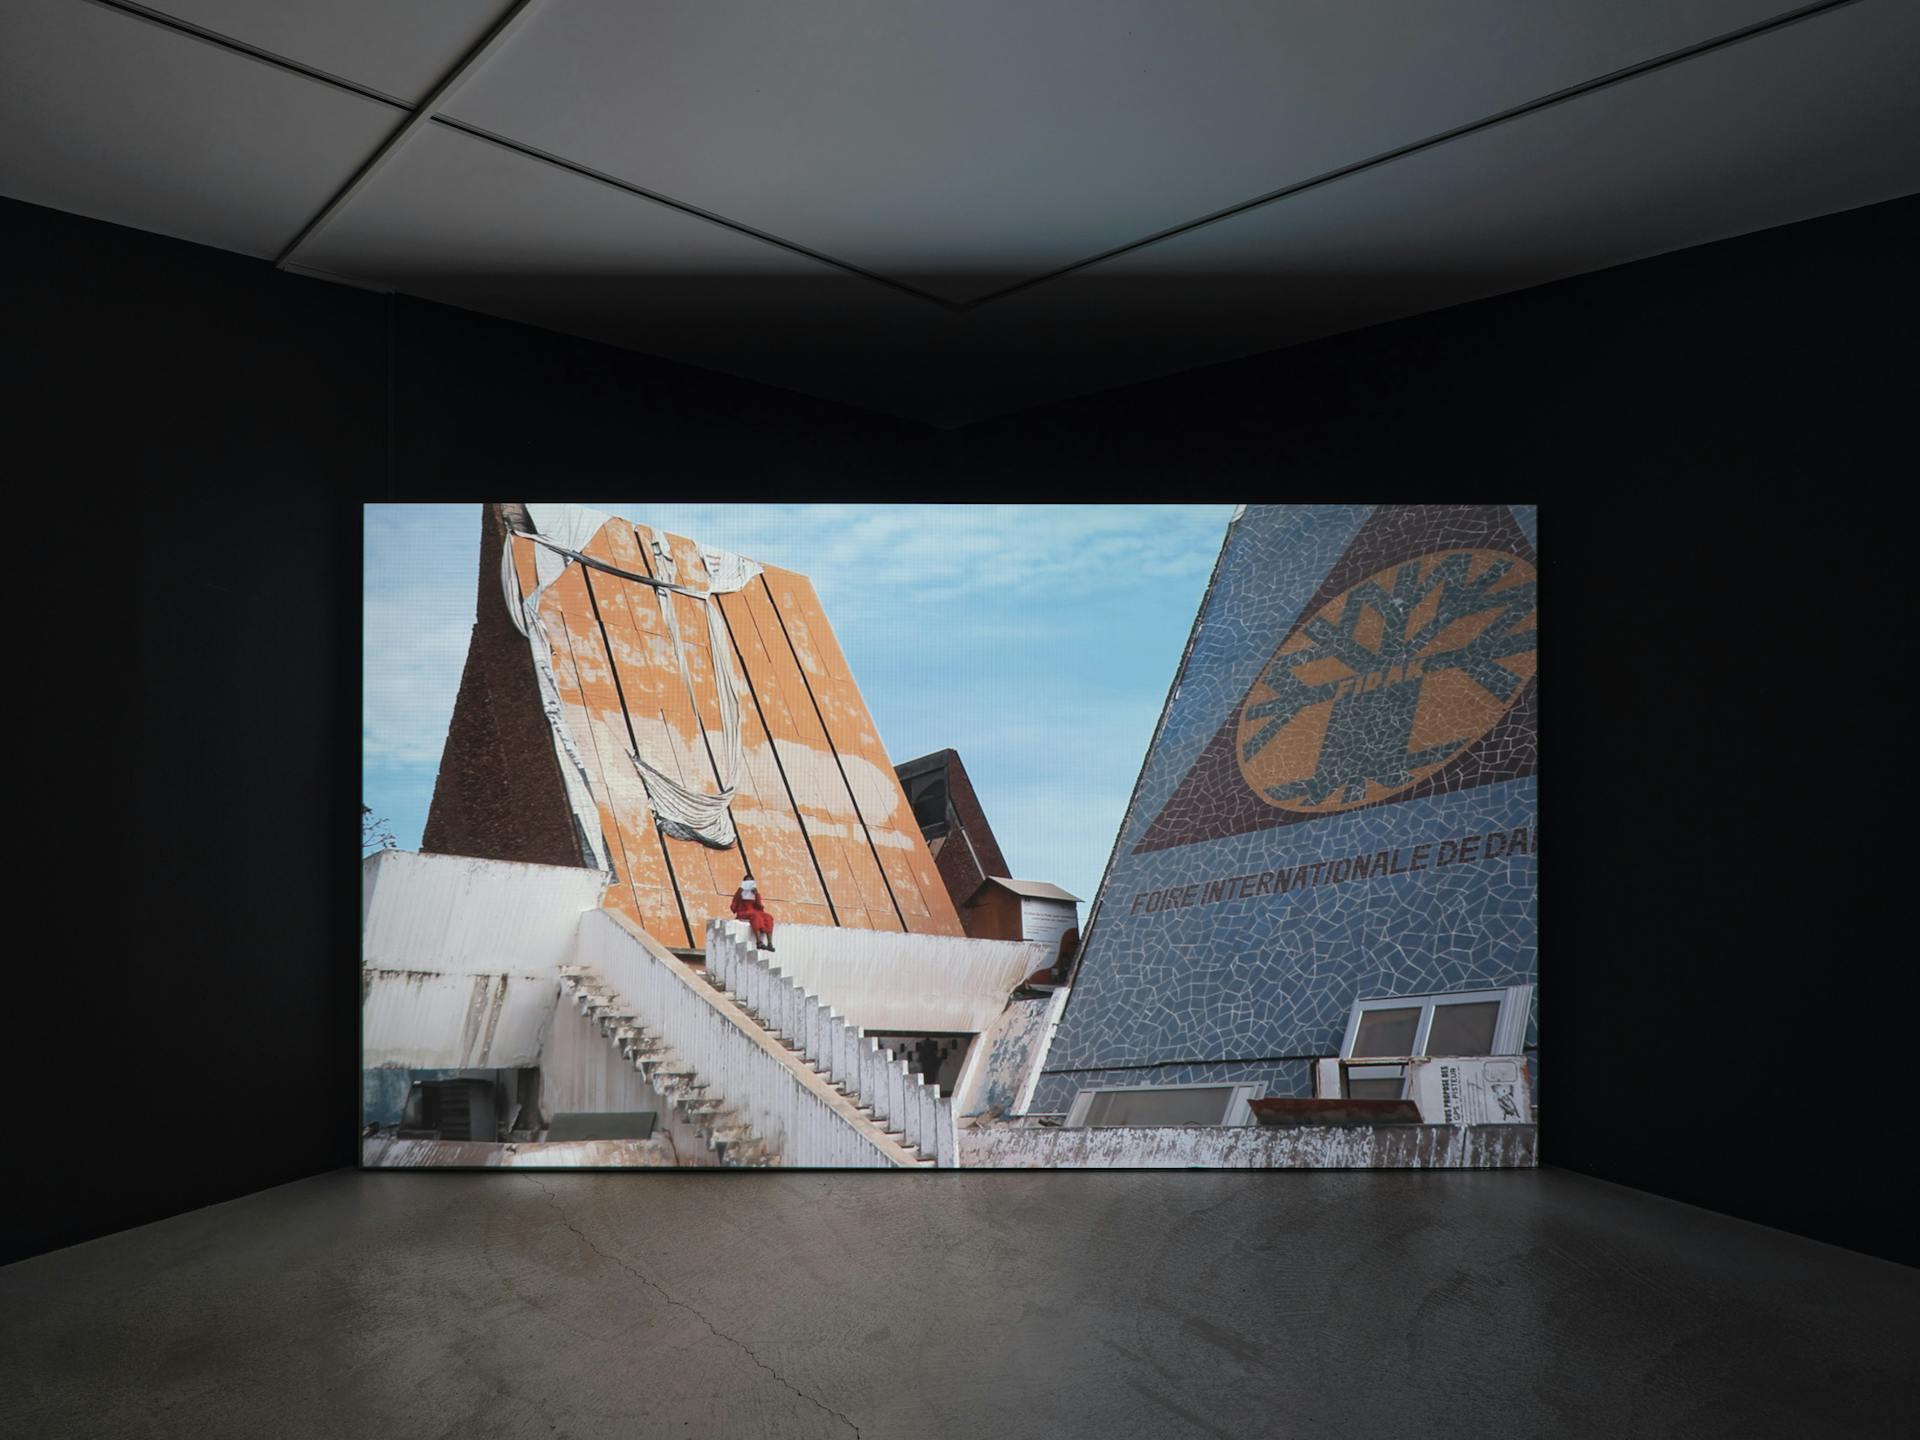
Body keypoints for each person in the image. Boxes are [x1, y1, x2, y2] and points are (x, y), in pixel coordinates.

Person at [730, 877, 776, 952]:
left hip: (754, 911)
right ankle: (759, 942)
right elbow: (733, 908)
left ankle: (770, 943)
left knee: (768, 917)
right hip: (743, 912)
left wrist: (756, 895)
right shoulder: (739, 892)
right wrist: (739, 893)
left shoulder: (754, 892)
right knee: (755, 916)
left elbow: (760, 907)